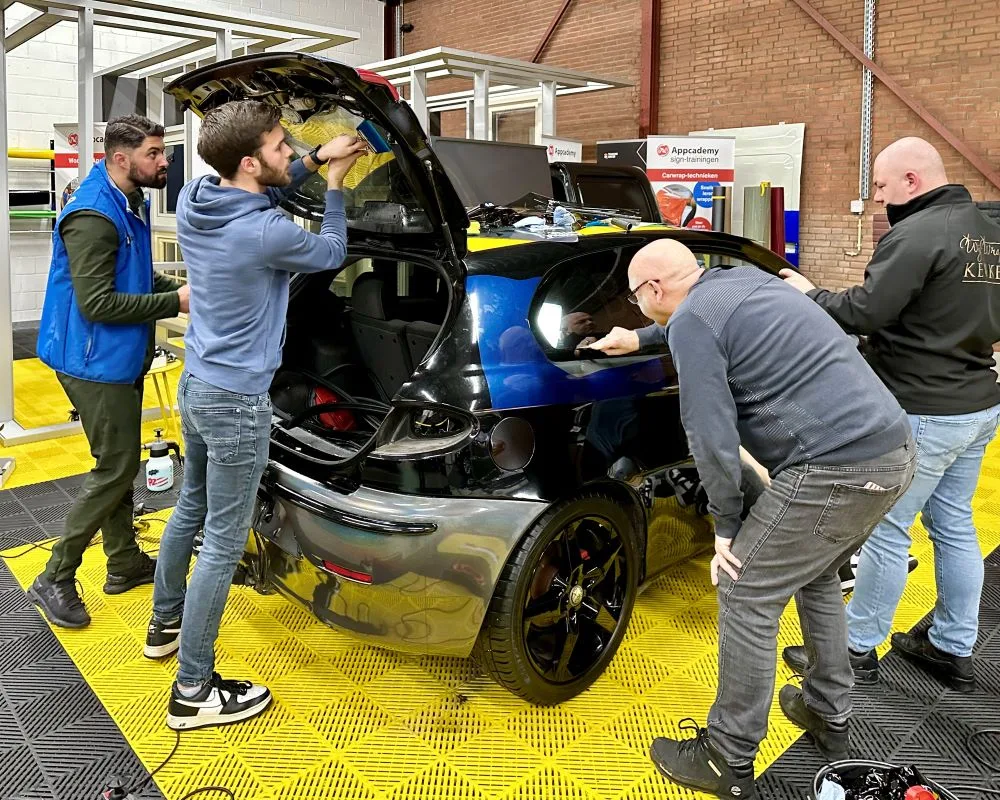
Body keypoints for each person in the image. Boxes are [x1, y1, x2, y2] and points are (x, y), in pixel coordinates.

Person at [589, 240, 915, 800]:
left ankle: (727, 755)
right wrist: (638, 338)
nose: (636, 307)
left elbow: (711, 439)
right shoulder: (738, 283)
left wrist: (725, 524)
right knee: (816, 576)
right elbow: (703, 324)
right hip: (890, 453)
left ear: (654, 291)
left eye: (635, 300)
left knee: (745, 593)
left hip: (832, 469)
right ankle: (827, 714)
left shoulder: (690, 320)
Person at [145, 100, 366, 731]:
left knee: (190, 505)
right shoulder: (265, 233)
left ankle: (164, 626)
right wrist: (333, 183)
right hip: (238, 400)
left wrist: (313, 156)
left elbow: (261, 187)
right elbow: (330, 253)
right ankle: (193, 690)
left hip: (197, 382)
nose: (290, 152)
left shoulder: (194, 197)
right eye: (279, 146)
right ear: (248, 162)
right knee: (221, 540)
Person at [781, 137, 1000, 693]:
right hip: (978, 402)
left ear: (912, 180)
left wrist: (810, 294)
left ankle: (853, 650)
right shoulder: (989, 231)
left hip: (923, 408)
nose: (877, 199)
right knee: (953, 524)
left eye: (880, 186)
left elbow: (865, 313)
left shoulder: (916, 234)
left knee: (886, 529)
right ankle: (952, 647)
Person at [29, 115, 189, 629]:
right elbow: (97, 303)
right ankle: (55, 574)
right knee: (116, 466)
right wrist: (175, 300)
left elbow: (135, 273)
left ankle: (121, 562)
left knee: (116, 458)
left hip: (115, 355)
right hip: (92, 360)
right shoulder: (95, 214)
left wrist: (188, 282)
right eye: (155, 153)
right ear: (121, 158)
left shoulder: (128, 202)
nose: (164, 161)